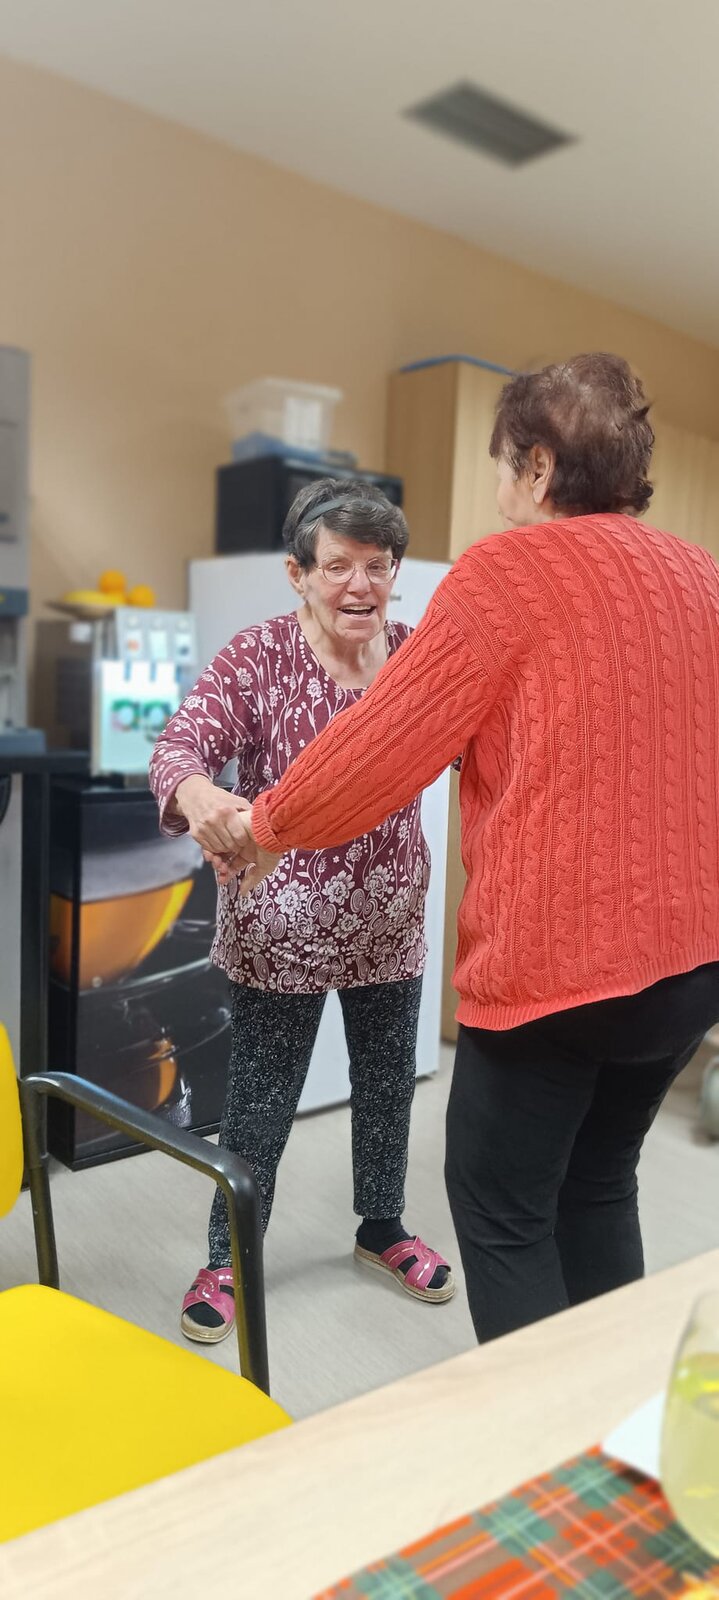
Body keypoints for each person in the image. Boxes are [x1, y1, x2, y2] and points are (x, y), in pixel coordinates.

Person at [213, 353, 719, 1344]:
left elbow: (378, 750)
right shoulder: (701, 575)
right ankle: (613, 1411)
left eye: (500, 465)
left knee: (500, 1204)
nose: (498, 489)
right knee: (598, 1180)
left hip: (559, 970)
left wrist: (268, 826)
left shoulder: (505, 574)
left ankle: (534, 1432)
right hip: (689, 962)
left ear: (537, 466)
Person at [149, 478, 454, 1345]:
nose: (360, 586)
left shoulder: (415, 659)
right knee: (260, 1104)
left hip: (390, 921)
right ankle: (227, 1257)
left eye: (377, 566)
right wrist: (200, 792)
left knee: (386, 1087)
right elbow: (179, 747)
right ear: (298, 573)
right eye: (338, 567)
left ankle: (381, 1229)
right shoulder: (260, 657)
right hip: (279, 932)